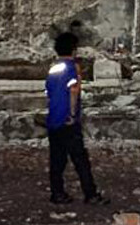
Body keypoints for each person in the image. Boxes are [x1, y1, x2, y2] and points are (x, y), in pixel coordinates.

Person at [45, 32, 111, 206]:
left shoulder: (54, 67)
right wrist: (72, 114)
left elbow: (49, 92)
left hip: (53, 119)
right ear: (74, 49)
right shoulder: (72, 67)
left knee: (57, 160)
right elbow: (74, 91)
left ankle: (57, 193)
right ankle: (91, 194)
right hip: (67, 120)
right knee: (80, 160)